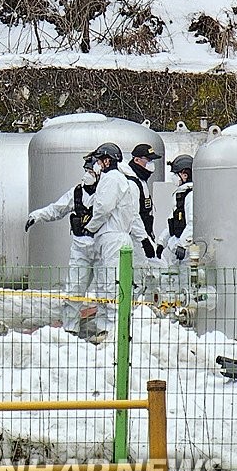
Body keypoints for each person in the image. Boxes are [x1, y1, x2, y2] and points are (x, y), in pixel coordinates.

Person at [25, 157, 102, 338]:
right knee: (74, 290)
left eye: (91, 172)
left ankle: (106, 330)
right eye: (86, 171)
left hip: (101, 247)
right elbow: (57, 209)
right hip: (80, 246)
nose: (87, 175)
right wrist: (36, 216)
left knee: (106, 290)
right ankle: (70, 329)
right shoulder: (76, 192)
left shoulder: (107, 192)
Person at [83, 142, 150, 343]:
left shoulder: (112, 179)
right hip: (112, 237)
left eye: (99, 160)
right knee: (105, 284)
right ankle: (105, 329)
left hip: (113, 237)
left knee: (110, 284)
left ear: (106, 160)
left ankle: (112, 330)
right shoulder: (117, 179)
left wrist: (90, 227)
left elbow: (103, 208)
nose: (97, 164)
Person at [124, 143, 163, 261]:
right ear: (136, 160)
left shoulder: (142, 180)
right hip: (137, 239)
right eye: (148, 160)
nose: (150, 164)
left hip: (145, 234)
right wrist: (144, 240)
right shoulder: (132, 183)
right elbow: (133, 215)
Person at [165, 155, 194, 265]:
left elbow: (192, 223)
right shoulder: (181, 195)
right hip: (177, 248)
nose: (174, 177)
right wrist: (161, 242)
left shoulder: (190, 196)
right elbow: (173, 222)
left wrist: (183, 245)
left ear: (185, 174)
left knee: (185, 279)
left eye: (176, 174)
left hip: (186, 252)